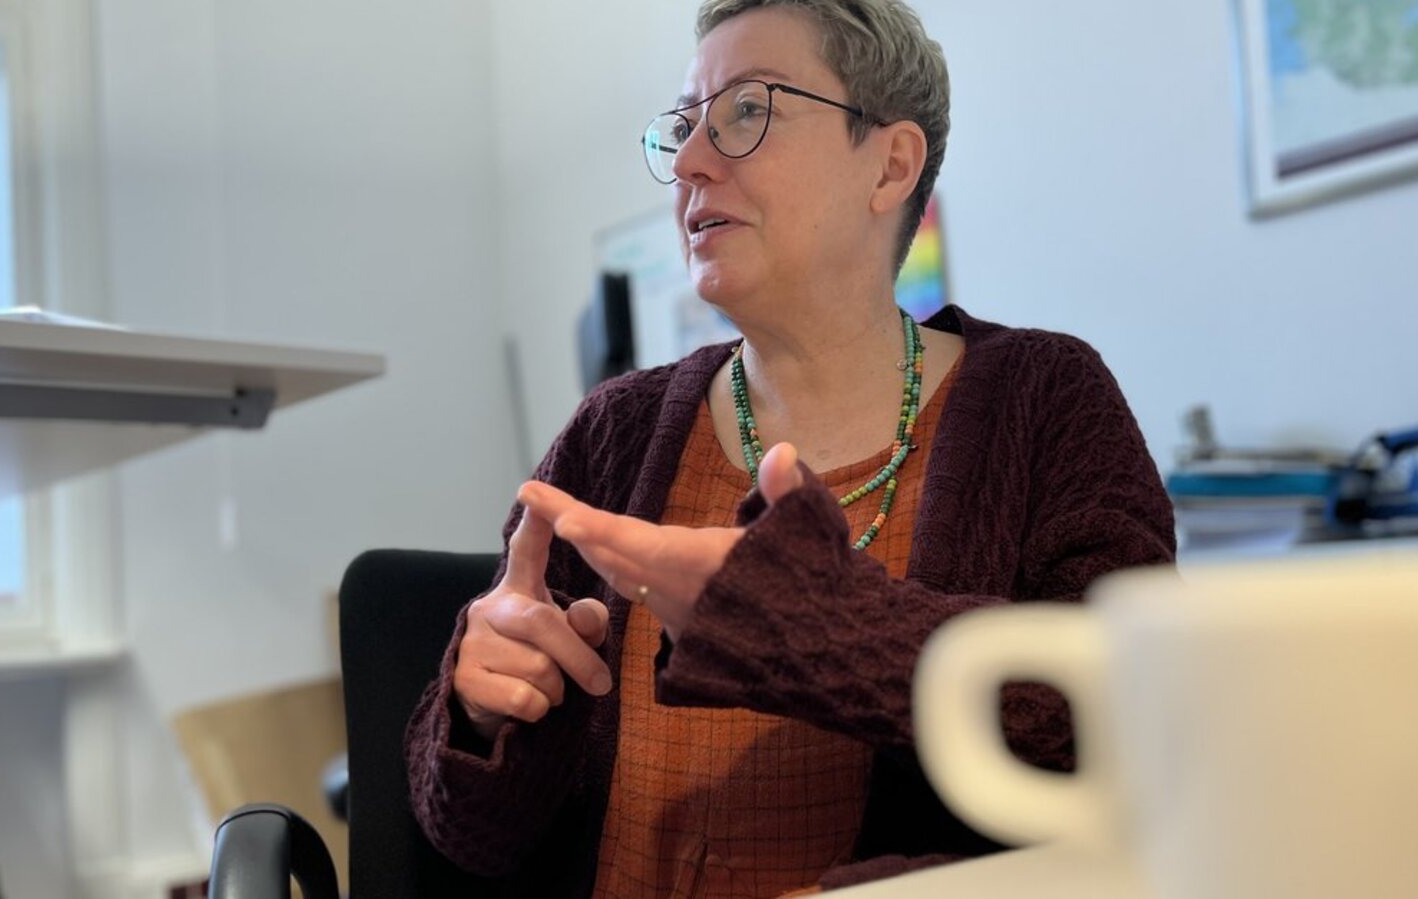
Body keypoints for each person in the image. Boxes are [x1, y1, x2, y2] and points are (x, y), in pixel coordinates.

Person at [405, 1, 1175, 896]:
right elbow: (469, 838)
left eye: (747, 110)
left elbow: (1134, 726)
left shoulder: (1045, 399)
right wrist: (482, 709)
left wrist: (812, 627)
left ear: (890, 165)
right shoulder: (614, 431)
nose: (690, 163)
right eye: (685, 127)